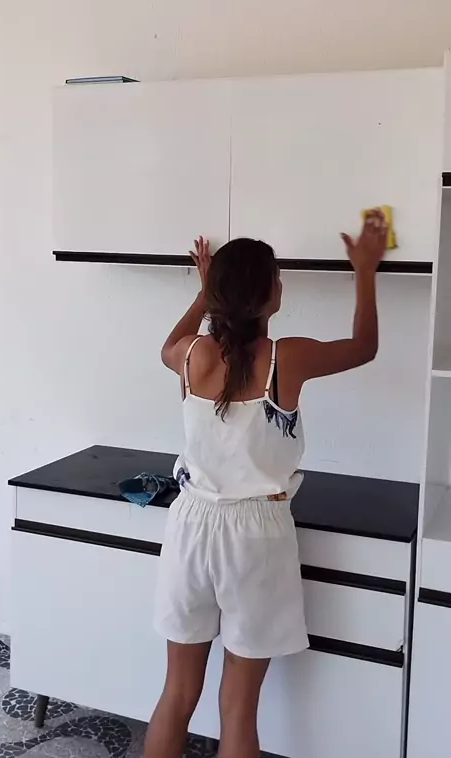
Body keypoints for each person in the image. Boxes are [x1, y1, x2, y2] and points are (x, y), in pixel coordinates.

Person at [144, 212, 388, 758]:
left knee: (177, 694)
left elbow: (170, 343)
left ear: (219, 296)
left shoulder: (192, 356)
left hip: (190, 527)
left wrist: (204, 293)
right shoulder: (286, 358)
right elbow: (364, 347)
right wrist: (365, 270)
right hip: (256, 536)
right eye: (277, 277)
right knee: (238, 708)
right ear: (270, 297)